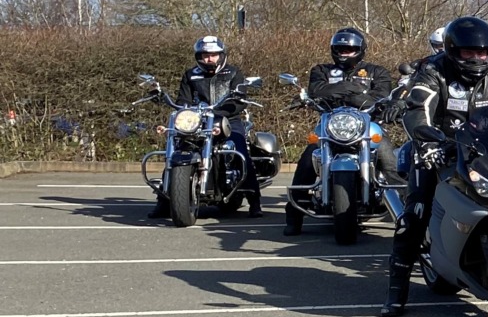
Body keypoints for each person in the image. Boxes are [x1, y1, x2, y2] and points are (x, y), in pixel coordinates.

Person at [382, 17, 488, 317]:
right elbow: (418, 110)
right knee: (415, 217)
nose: (477, 58)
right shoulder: (433, 71)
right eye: (468, 53)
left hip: (485, 150)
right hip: (439, 149)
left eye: (483, 52)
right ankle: (396, 294)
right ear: (453, 51)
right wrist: (425, 142)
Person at [284, 28, 397, 235]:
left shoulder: (377, 72)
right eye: (340, 48)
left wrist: (341, 93)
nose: (344, 52)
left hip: (367, 124)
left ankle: (405, 211)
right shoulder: (321, 70)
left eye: (350, 48)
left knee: (388, 158)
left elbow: (381, 96)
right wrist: (355, 90)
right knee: (308, 159)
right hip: (329, 125)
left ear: (360, 49)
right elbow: (316, 91)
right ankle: (294, 215)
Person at [151, 35, 262, 217]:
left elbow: (240, 102)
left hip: (227, 119)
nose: (209, 59)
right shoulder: (190, 75)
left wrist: (221, 113)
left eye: (213, 55)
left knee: (241, 150)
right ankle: (163, 201)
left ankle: (254, 201)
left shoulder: (233, 73)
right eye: (205, 55)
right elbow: (183, 100)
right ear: (199, 56)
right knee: (179, 149)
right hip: (198, 120)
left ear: (221, 55)